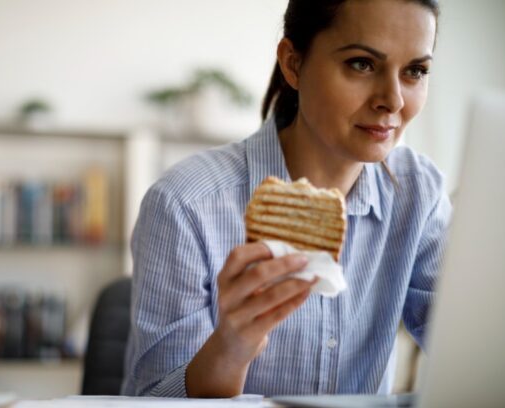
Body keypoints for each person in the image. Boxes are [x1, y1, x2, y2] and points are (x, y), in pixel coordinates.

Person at [122, 0, 450, 398]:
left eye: (415, 71)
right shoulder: (185, 204)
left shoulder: (420, 193)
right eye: (362, 63)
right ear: (293, 64)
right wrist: (232, 347)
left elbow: (470, 350)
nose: (393, 100)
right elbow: (153, 400)